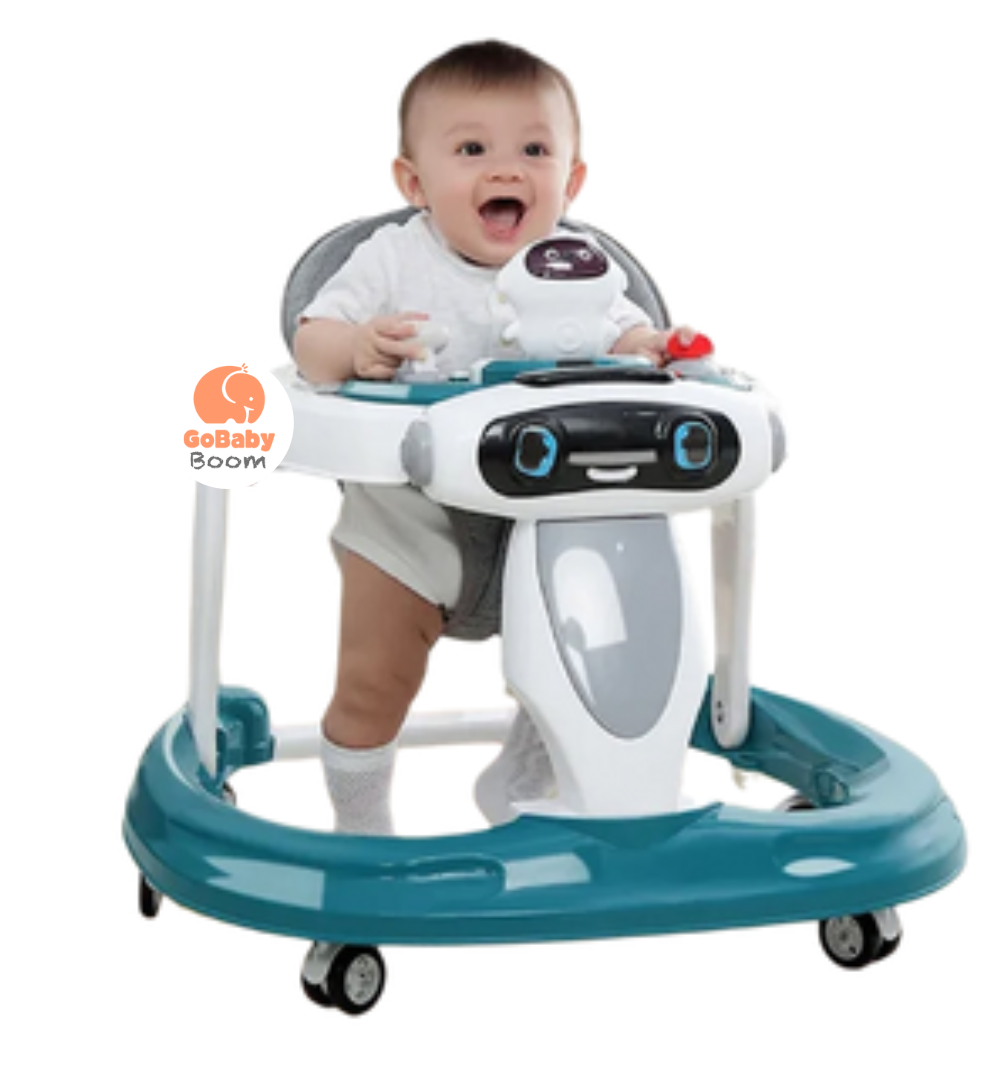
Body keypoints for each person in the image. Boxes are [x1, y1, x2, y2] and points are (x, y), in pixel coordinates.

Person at [294, 39, 696, 839]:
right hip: (411, 524)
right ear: (415, 183)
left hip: (548, 525)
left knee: (594, 666)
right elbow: (311, 343)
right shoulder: (393, 258)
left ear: (572, 183)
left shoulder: (580, 270)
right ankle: (361, 823)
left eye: (535, 151)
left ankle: (529, 775)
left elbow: (628, 341)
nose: (507, 169)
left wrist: (656, 351)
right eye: (472, 150)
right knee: (375, 681)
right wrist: (357, 347)